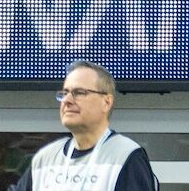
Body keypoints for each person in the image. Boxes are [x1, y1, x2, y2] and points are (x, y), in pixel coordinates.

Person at [12, 63, 158, 191]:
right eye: (65, 93)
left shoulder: (126, 155)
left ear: (106, 102)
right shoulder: (45, 159)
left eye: (79, 93)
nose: (67, 100)